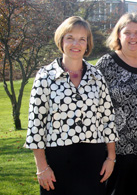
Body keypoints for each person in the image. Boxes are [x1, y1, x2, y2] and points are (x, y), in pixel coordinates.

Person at [25, 16, 119, 195]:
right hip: (57, 162)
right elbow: (36, 125)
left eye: (82, 39)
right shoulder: (45, 76)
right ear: (61, 40)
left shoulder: (96, 76)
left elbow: (108, 119)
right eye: (70, 38)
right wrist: (41, 167)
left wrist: (111, 158)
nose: (76, 44)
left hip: (94, 161)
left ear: (87, 44)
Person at [96, 13, 137, 195]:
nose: (133, 37)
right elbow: (95, 106)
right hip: (114, 149)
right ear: (118, 34)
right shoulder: (107, 64)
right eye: (127, 32)